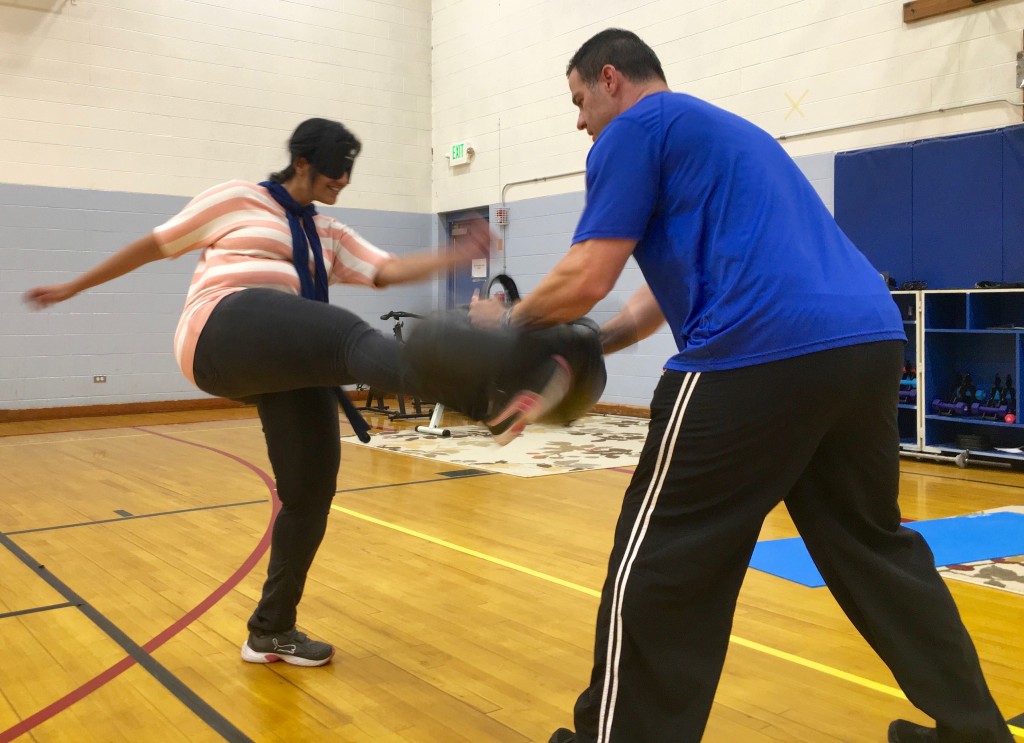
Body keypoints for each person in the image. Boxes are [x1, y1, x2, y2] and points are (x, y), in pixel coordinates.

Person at [468, 29, 1013, 743]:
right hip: (869, 343)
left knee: (662, 558)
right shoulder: (729, 134)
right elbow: (646, 305)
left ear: (610, 79)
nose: (579, 122)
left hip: (760, 350)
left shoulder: (634, 129)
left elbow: (588, 275)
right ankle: (976, 731)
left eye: (578, 101)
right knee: (873, 548)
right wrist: (581, 350)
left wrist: (508, 322)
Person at [23, 117, 567, 667]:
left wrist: (456, 253)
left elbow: (389, 268)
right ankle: (490, 398)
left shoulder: (327, 231)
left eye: (349, 175)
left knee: (310, 493)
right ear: (302, 162)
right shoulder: (237, 199)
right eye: (335, 173)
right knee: (346, 333)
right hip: (222, 328)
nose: (343, 183)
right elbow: (155, 245)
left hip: (287, 360)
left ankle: (271, 629)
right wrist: (75, 285)